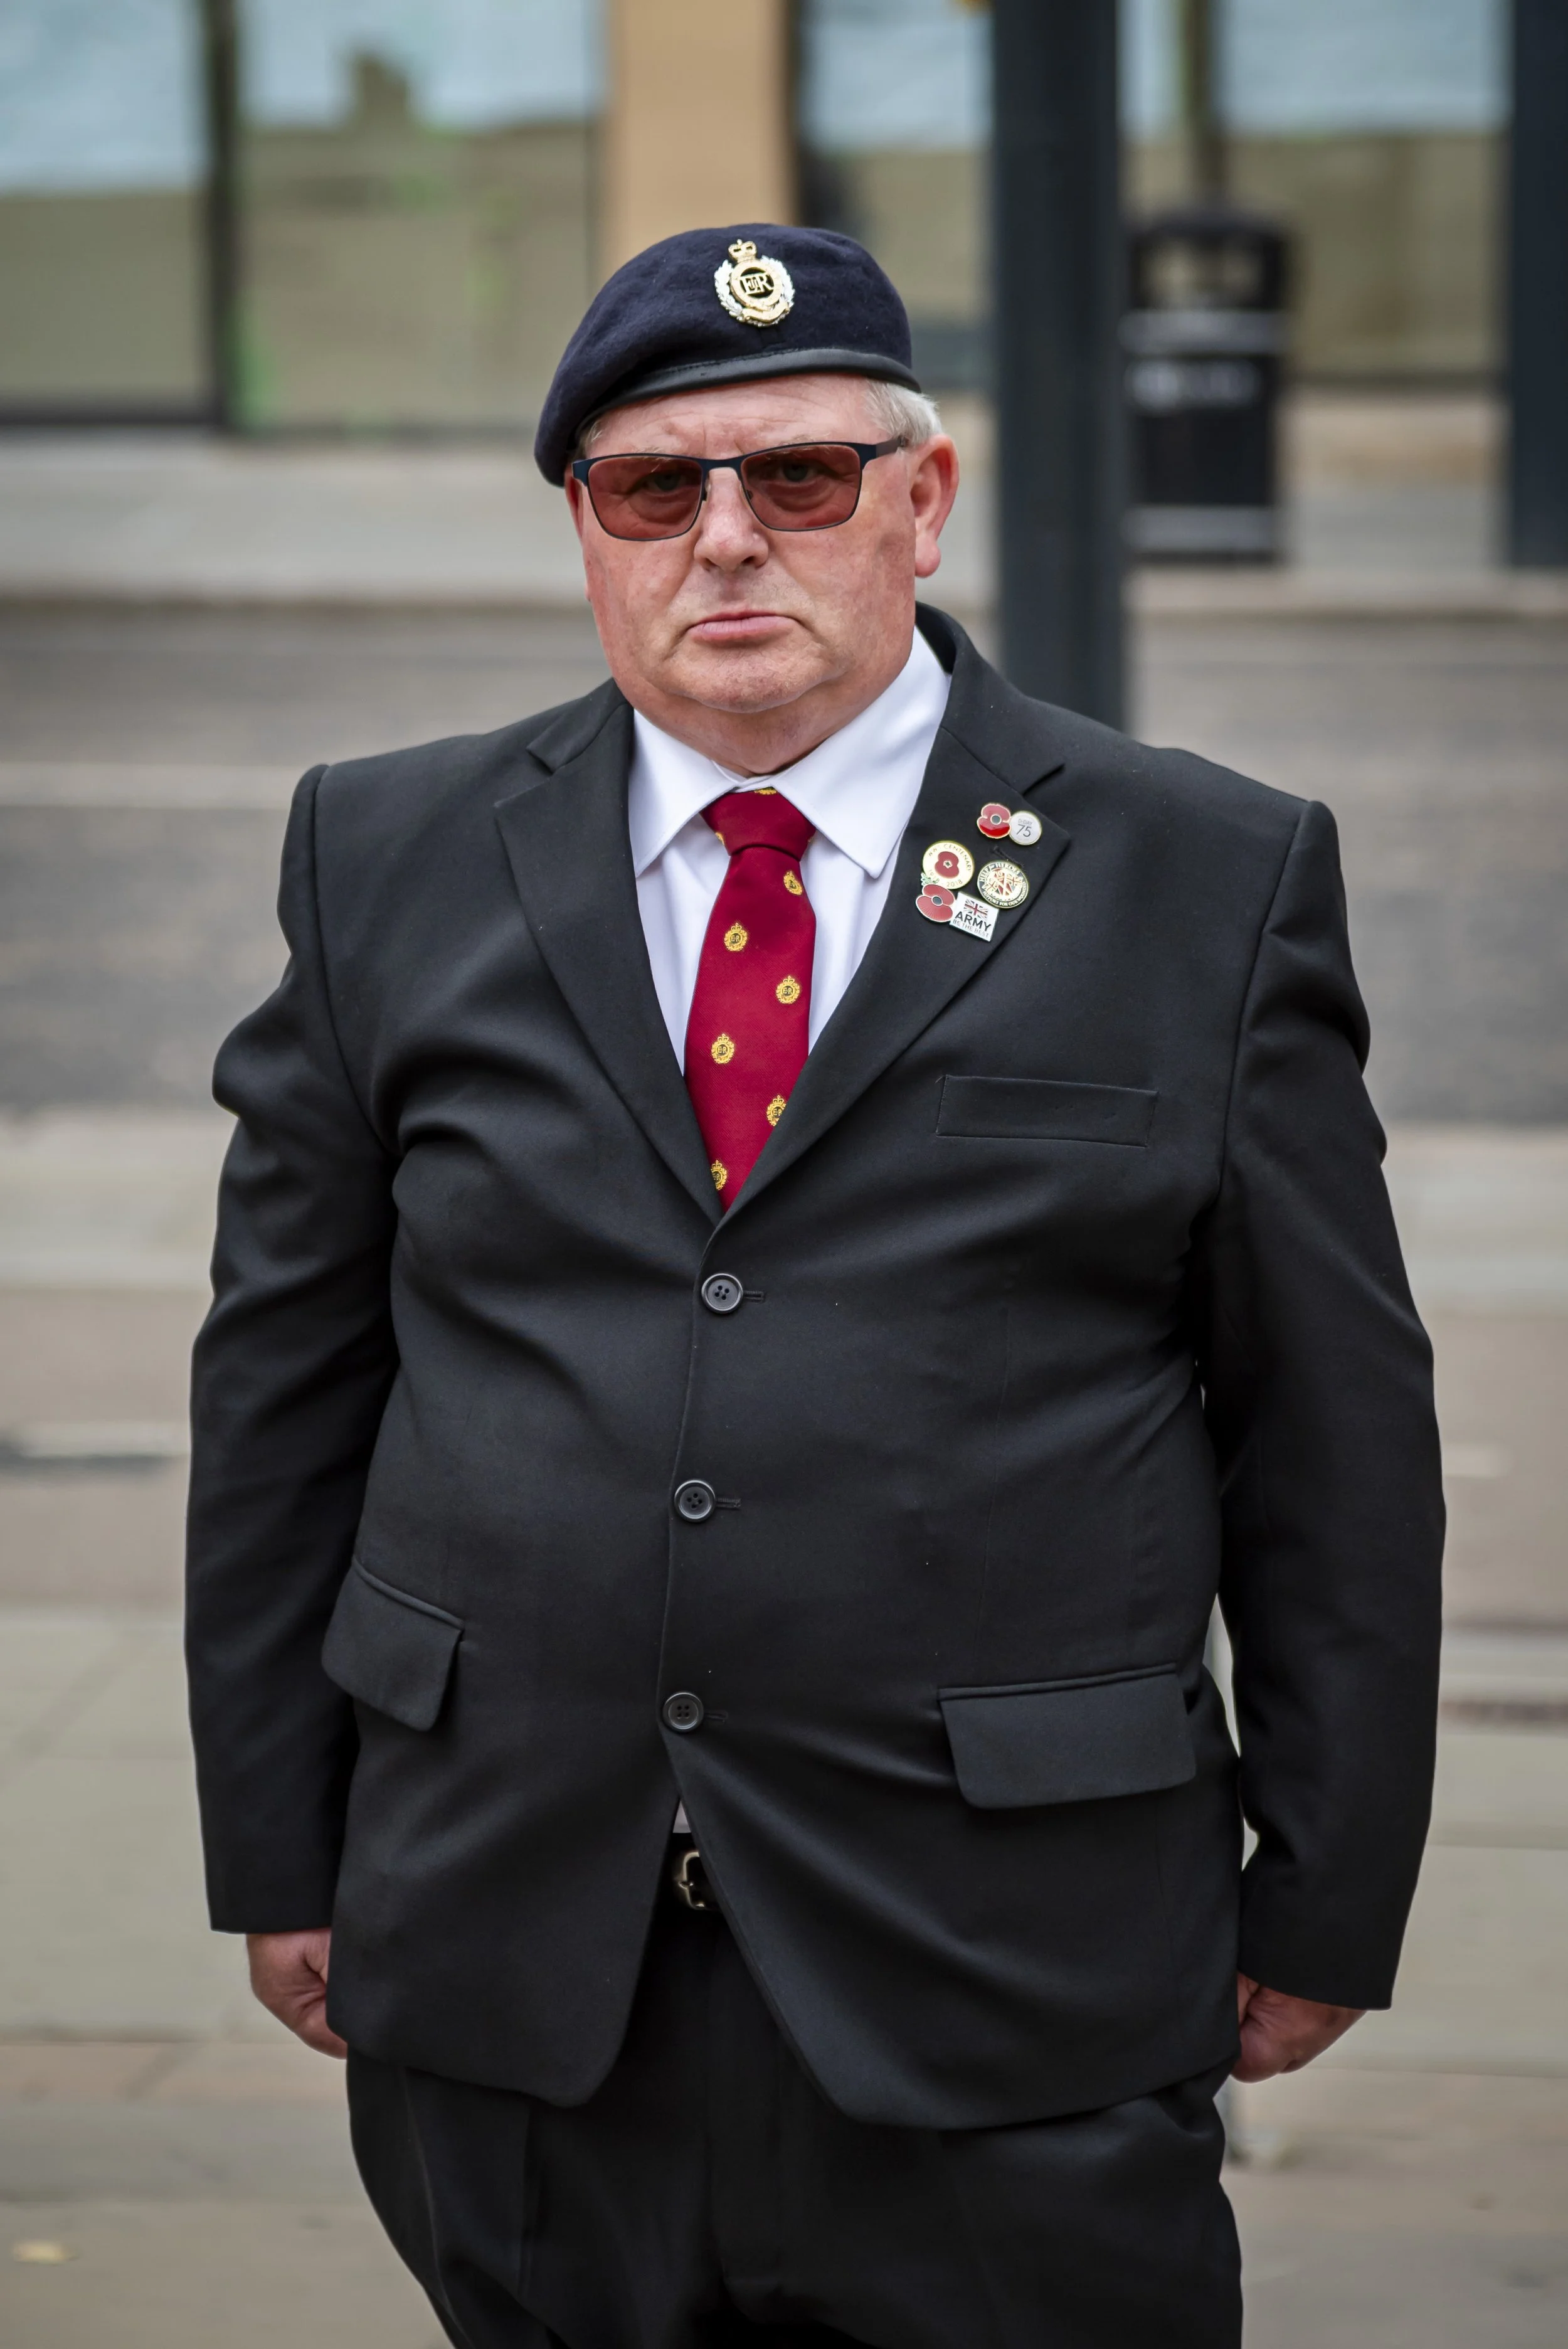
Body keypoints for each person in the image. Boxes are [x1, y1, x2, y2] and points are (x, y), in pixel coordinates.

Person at [186, 225, 1444, 2348]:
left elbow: (1330, 1440)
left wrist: (1326, 1890)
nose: (727, 542)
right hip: (511, 1957)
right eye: (654, 490)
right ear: (583, 526)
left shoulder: (1199, 876)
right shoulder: (384, 855)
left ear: (920, 500)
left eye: (801, 477)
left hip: (1004, 1980)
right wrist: (281, 1844)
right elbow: (285, 1396)